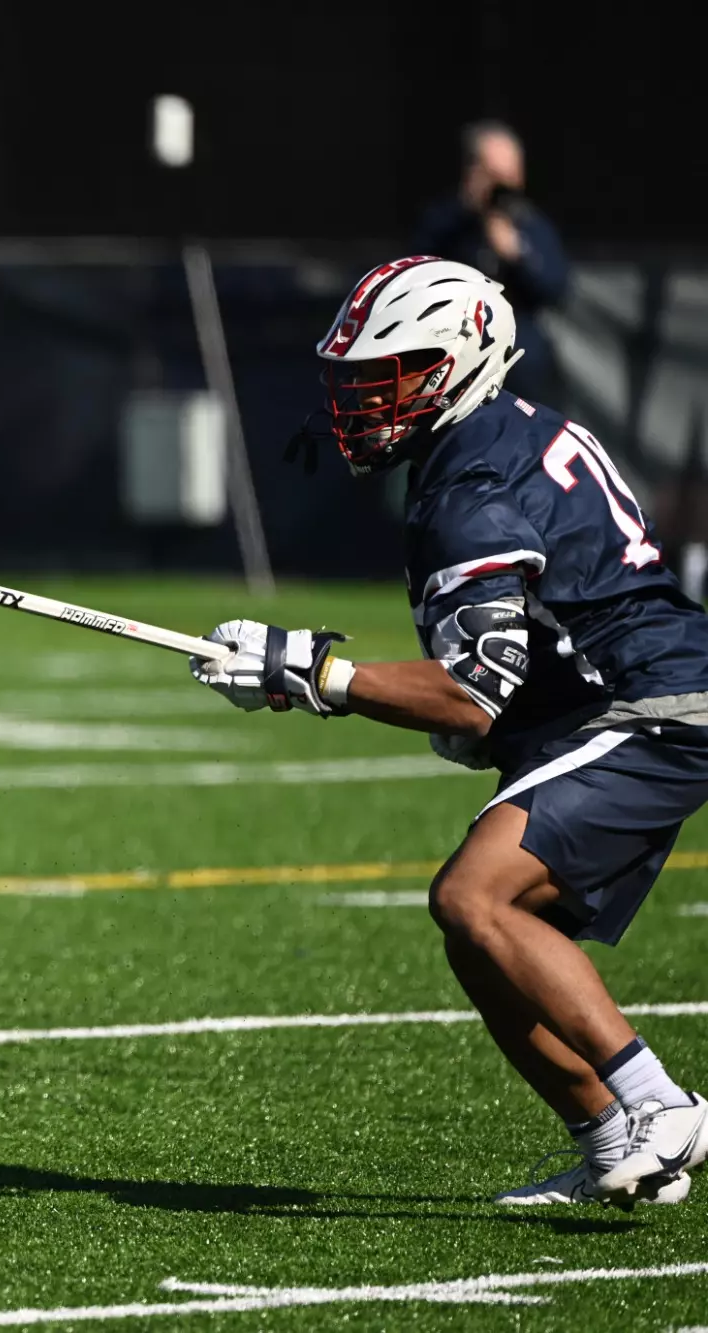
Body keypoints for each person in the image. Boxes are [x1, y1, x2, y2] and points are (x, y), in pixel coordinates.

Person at [193, 256, 708, 1208]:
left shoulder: (471, 480)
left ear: (465, 358)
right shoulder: (498, 436)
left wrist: (312, 669)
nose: (365, 400)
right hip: (613, 697)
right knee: (482, 936)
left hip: (649, 704)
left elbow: (472, 694)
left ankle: (659, 1103)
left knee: (474, 896)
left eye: (394, 374)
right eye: (357, 379)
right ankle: (612, 1142)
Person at [411, 121, 571, 406]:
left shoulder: (530, 225)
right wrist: (469, 217)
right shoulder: (447, 223)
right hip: (456, 355)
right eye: (493, 174)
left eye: (509, 174)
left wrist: (518, 253)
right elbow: (419, 276)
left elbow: (556, 287)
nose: (501, 186)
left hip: (520, 358)